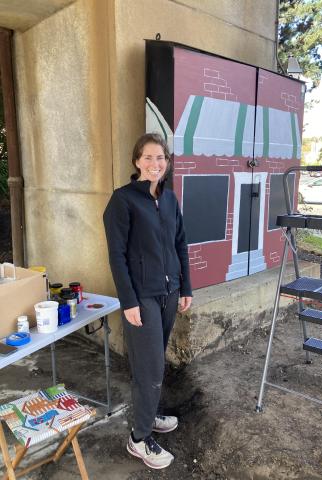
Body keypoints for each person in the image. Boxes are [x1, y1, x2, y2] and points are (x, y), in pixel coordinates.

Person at [103, 133, 192, 469]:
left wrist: (186, 288)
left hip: (169, 294)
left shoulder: (169, 199)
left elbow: (180, 244)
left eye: (161, 159)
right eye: (149, 158)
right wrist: (129, 301)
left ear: (166, 164)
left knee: (152, 363)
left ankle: (150, 414)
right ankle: (139, 439)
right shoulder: (122, 201)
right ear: (137, 161)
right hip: (141, 297)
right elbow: (117, 255)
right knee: (151, 367)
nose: (156, 164)